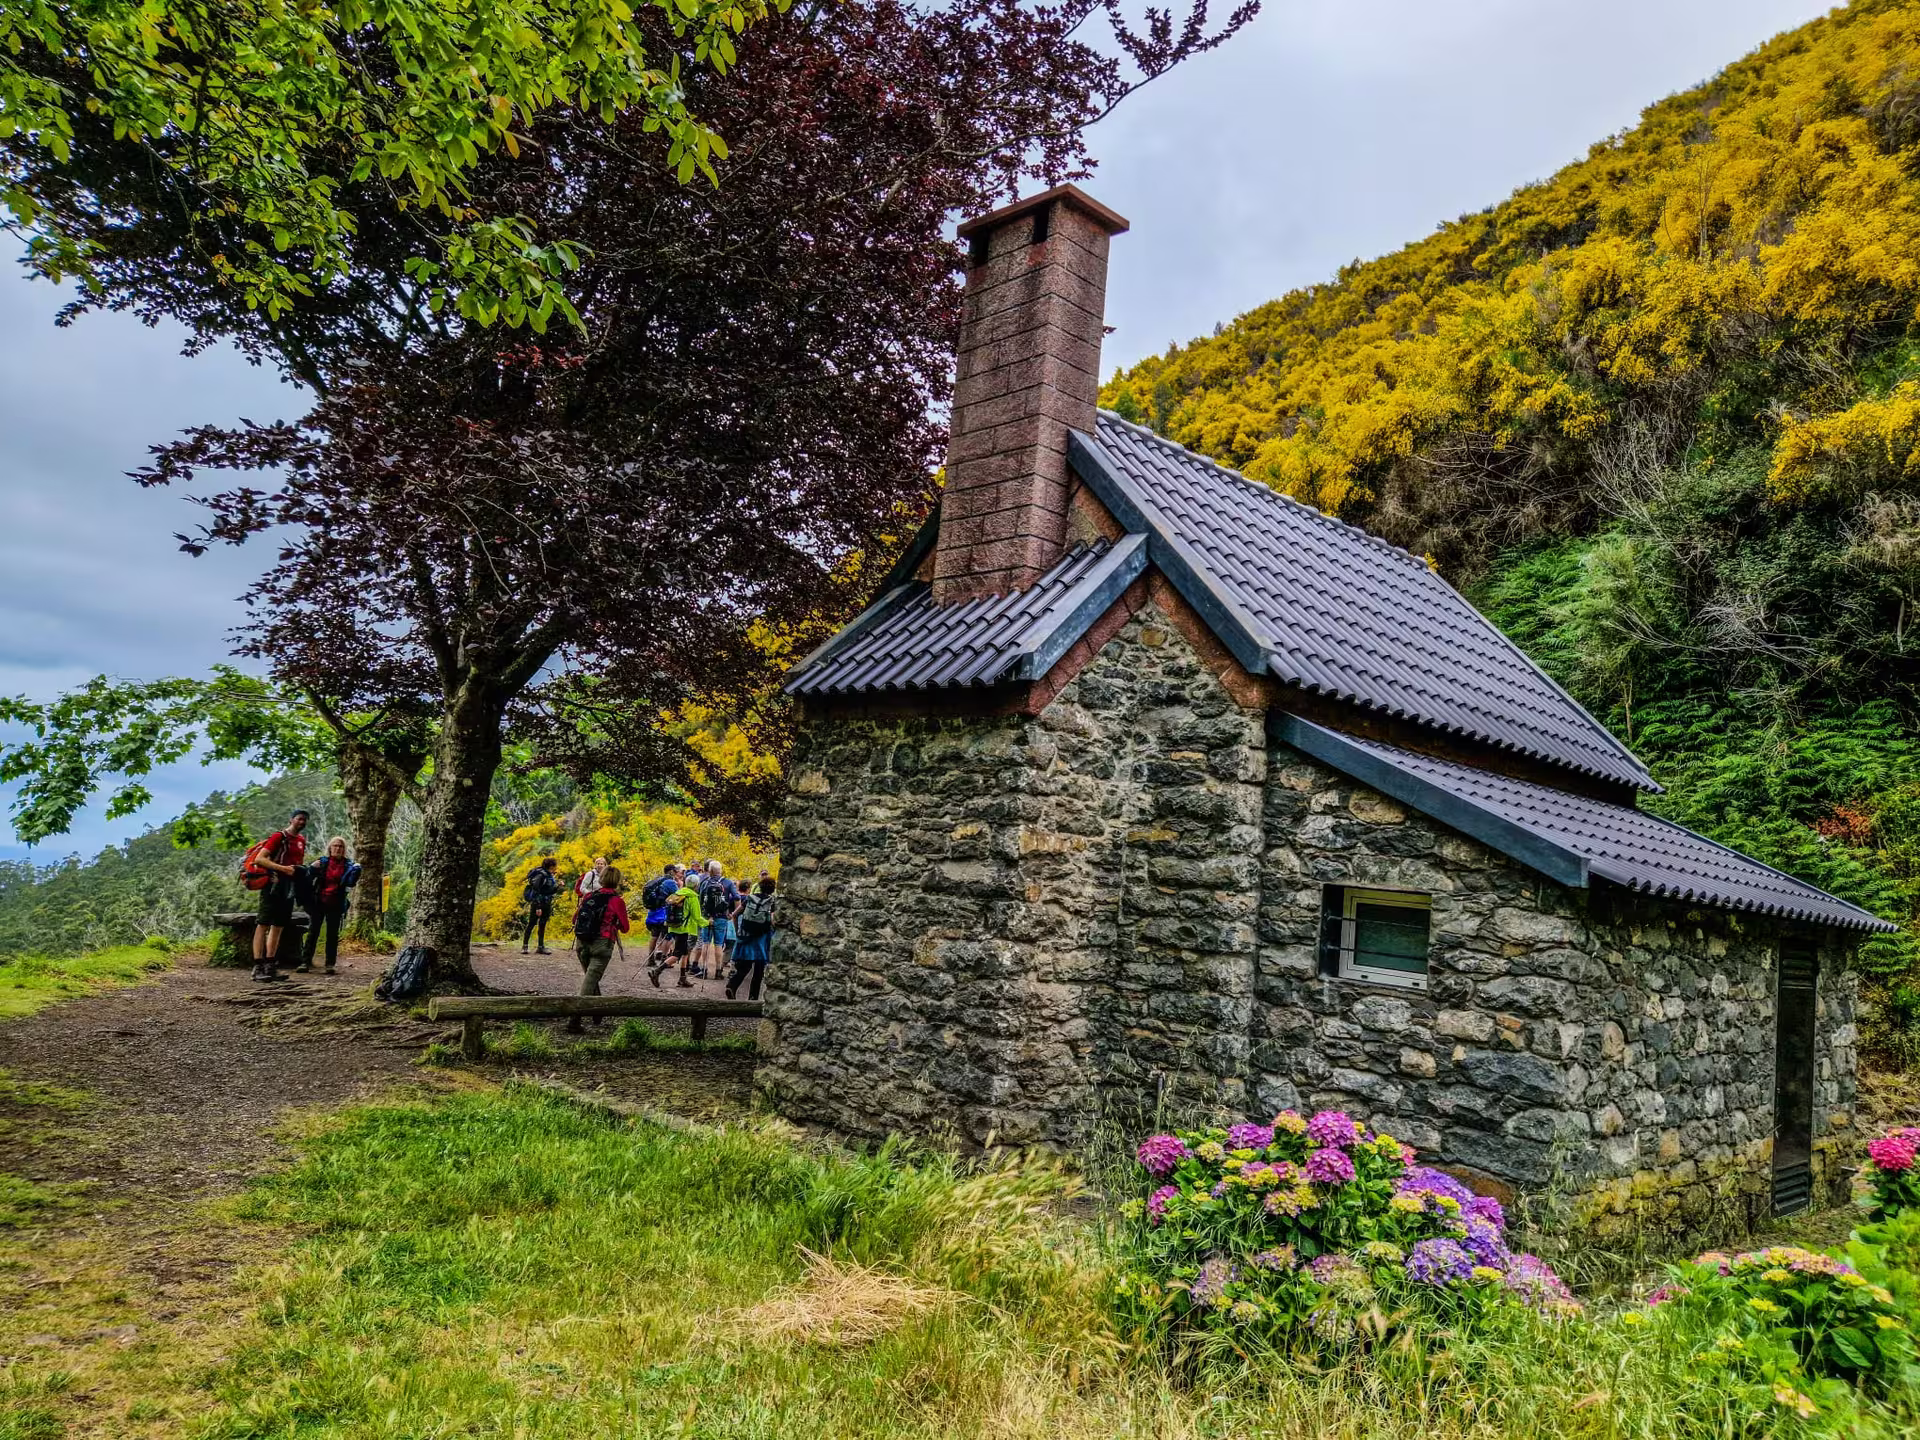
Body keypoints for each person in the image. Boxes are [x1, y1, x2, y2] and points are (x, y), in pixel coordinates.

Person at [247, 808, 309, 983]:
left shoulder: (301, 841)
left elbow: (296, 864)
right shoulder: (278, 837)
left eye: (305, 820)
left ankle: (270, 965)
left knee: (278, 926)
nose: (302, 822)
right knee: (263, 924)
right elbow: (260, 859)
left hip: (288, 888)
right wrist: (283, 869)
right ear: (291, 820)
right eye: (299, 819)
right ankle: (257, 966)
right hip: (272, 886)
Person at [568, 864, 629, 1033]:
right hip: (602, 944)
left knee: (590, 980)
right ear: (617, 881)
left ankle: (597, 1011)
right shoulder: (617, 901)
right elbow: (625, 928)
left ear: (601, 879)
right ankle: (574, 1020)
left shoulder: (588, 897)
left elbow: (575, 920)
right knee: (589, 982)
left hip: (582, 942)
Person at [296, 836, 360, 974]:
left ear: (344, 850)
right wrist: (312, 869)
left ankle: (329, 964)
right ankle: (305, 962)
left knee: (332, 934)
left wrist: (355, 872)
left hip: (336, 902)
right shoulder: (322, 862)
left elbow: (350, 883)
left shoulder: (348, 865)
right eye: (335, 846)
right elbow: (307, 878)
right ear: (330, 848)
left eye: (341, 846)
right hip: (318, 901)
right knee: (313, 932)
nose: (338, 848)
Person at [651, 865, 704, 989]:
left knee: (685, 953)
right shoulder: (692, 897)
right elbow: (697, 917)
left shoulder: (679, 892)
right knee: (677, 954)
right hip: (683, 929)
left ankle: (682, 978)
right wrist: (708, 923)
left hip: (673, 926)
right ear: (697, 885)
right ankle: (657, 971)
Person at [727, 875, 776, 1002]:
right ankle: (752, 998)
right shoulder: (772, 901)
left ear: (760, 886)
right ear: (772, 889)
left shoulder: (750, 898)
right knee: (759, 971)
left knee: (744, 967)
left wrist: (739, 930)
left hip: (747, 936)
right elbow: (773, 920)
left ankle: (732, 986)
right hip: (762, 939)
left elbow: (735, 914)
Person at [698, 860, 739, 981]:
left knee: (706, 943)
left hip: (707, 917)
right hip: (721, 917)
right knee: (718, 944)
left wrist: (704, 914)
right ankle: (718, 971)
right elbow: (736, 898)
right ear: (720, 870)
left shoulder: (704, 883)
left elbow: (700, 900)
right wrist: (733, 914)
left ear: (710, 871)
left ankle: (704, 970)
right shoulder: (728, 883)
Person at [639, 863, 681, 967]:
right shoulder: (670, 882)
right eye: (675, 871)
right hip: (663, 914)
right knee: (667, 938)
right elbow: (678, 897)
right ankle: (664, 961)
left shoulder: (656, 880)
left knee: (654, 936)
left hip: (653, 914)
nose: (676, 873)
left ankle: (650, 959)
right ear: (671, 871)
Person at [521, 856, 561, 954]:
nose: (556, 868)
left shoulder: (549, 875)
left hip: (547, 903)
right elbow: (536, 891)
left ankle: (540, 947)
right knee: (532, 923)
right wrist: (538, 907)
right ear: (550, 866)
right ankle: (525, 946)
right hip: (538, 903)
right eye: (554, 866)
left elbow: (549, 891)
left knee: (542, 924)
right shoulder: (541, 875)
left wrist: (558, 886)